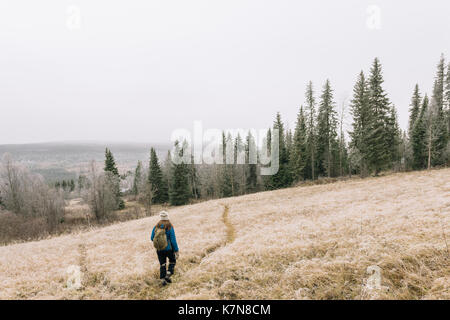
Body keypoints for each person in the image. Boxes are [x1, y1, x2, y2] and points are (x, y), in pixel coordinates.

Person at [151, 211, 179, 286]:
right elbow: (173, 240)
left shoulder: (156, 226)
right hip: (169, 249)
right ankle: (168, 275)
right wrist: (176, 250)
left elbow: (151, 238)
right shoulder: (169, 226)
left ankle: (163, 280)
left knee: (162, 264)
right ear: (167, 217)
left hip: (159, 249)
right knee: (172, 261)